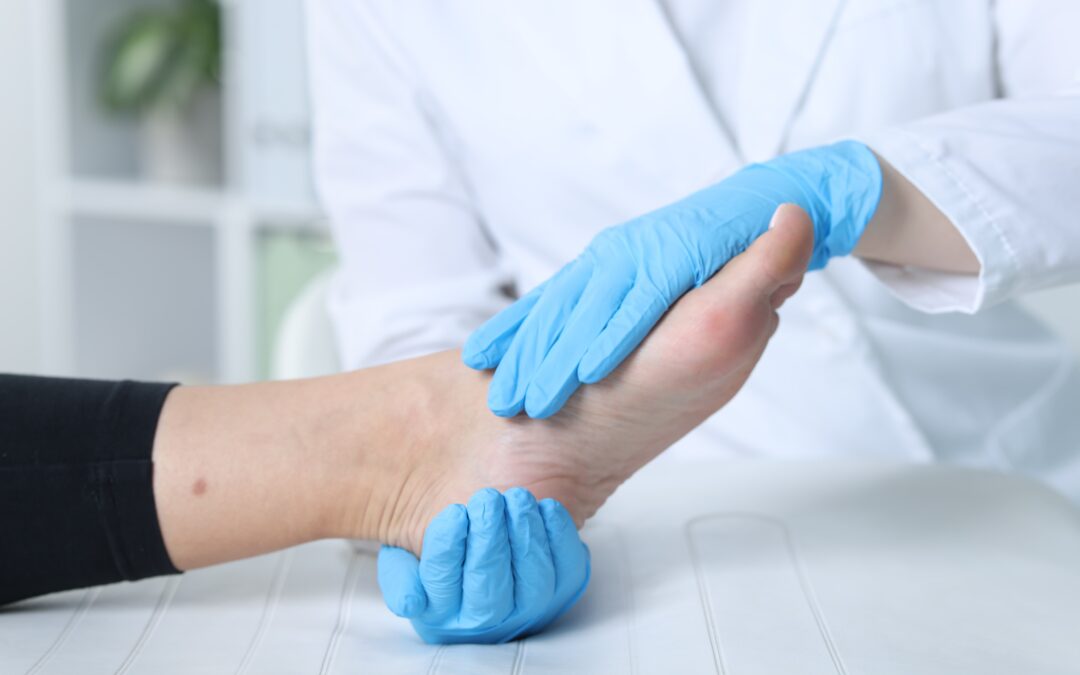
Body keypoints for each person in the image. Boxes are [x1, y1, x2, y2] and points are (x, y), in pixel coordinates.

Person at [307, 1, 1080, 501]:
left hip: (1028, 469)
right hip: (672, 513)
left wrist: (861, 187)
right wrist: (467, 498)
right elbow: (421, 328)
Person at [0, 207, 814, 643]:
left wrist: (870, 189)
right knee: (447, 402)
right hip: (583, 388)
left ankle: (413, 440)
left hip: (935, 440)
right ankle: (413, 441)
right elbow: (414, 288)